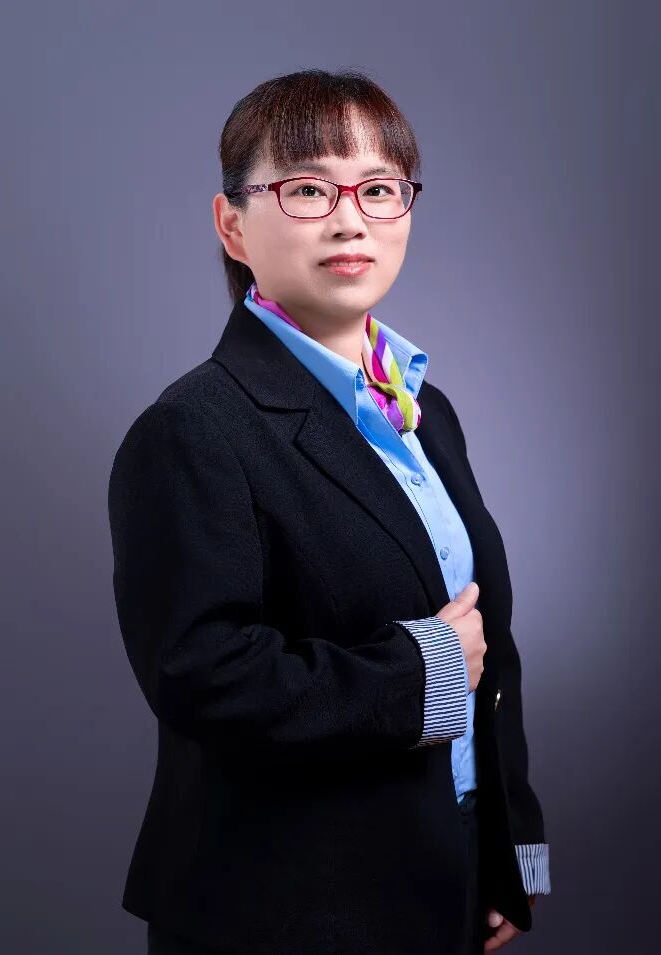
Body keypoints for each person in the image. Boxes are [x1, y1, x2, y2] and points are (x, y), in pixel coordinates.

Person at [108, 68, 551, 955]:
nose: (352, 219)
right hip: (291, 905)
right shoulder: (192, 429)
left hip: (446, 863)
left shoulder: (427, 410)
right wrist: (419, 670)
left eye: (378, 188)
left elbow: (491, 650)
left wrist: (510, 848)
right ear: (232, 224)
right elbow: (200, 675)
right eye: (309, 188)